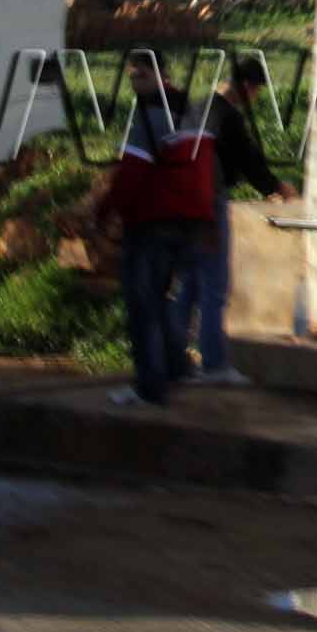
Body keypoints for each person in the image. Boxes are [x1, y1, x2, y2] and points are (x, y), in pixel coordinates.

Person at [166, 54, 299, 387]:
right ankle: (214, 365)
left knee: (189, 285)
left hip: (183, 201)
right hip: (208, 202)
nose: (256, 98)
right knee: (214, 285)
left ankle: (172, 359)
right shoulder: (228, 117)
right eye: (256, 92)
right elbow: (249, 160)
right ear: (247, 87)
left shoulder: (197, 107)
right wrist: (278, 187)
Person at [95, 52, 218, 408]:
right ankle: (177, 367)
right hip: (189, 223)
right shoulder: (193, 112)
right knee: (160, 297)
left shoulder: (149, 115)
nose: (135, 82)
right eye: (132, 76)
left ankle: (149, 386)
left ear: (162, 75)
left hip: (152, 223)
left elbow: (131, 174)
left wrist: (103, 214)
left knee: (141, 304)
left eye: (142, 75)